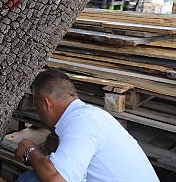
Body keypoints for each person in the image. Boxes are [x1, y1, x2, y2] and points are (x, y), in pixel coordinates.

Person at [12, 68, 159, 182]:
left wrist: (31, 151)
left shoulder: (82, 123)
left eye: (37, 107)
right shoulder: (89, 116)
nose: (39, 113)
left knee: (30, 180)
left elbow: (57, 179)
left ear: (45, 103)